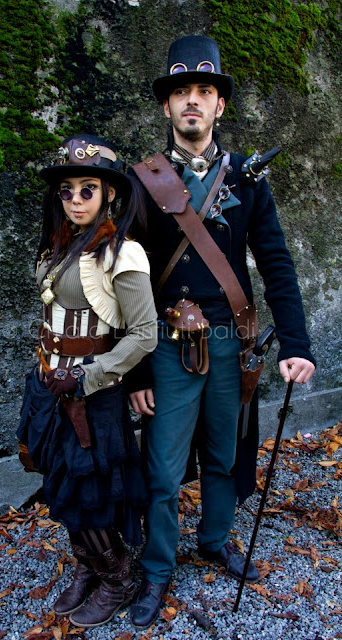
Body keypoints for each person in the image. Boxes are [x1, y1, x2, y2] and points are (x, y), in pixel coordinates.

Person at [126, 35, 316, 629]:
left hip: (233, 342)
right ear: (166, 107)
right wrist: (132, 369)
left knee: (225, 453)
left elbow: (277, 265)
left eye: (203, 91)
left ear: (219, 106)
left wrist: (298, 344)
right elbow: (120, 281)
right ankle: (158, 568)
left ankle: (214, 539)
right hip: (165, 345)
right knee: (160, 468)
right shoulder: (139, 183)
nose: (192, 101)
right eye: (181, 91)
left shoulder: (250, 182)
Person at [16, 134, 157, 628]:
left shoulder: (124, 253)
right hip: (47, 384)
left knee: (88, 491)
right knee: (61, 483)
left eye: (87, 189)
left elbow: (144, 335)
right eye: (67, 190)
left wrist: (88, 376)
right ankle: (88, 567)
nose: (75, 199)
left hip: (90, 395)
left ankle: (118, 578)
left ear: (109, 194)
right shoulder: (60, 245)